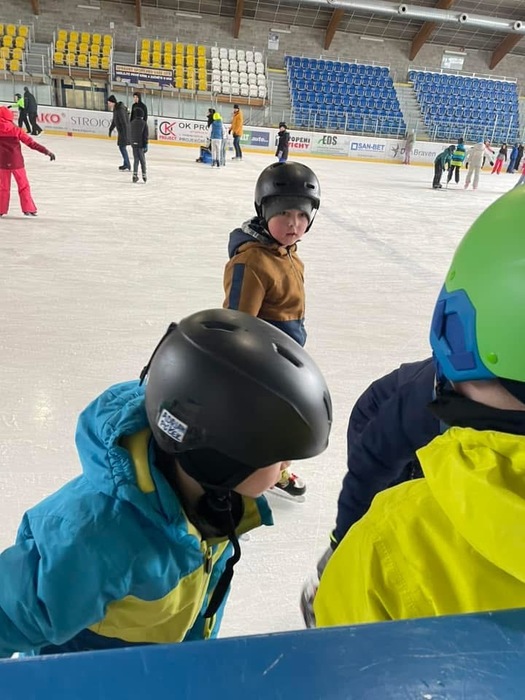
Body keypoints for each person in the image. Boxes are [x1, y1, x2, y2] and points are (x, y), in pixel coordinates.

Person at [0, 308, 331, 657]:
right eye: (279, 456)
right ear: (219, 457)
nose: (287, 467)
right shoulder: (98, 540)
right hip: (84, 675)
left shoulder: (217, 504)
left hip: (158, 665)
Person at [313, 189, 525, 629]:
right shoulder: (418, 399)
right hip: (378, 417)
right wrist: (342, 540)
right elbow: (370, 466)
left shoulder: (471, 384)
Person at [223, 162, 321, 499]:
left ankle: (275, 469)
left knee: (287, 422)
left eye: (302, 214)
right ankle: (245, 480)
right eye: (283, 214)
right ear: (263, 212)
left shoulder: (289, 254)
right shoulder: (251, 262)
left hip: (287, 356)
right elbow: (238, 322)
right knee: (266, 424)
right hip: (263, 361)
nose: (294, 224)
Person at [0, 106, 55, 217]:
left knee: (3, 188)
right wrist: (46, 151)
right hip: (17, 162)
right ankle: (28, 209)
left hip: (1, 163)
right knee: (23, 186)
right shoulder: (16, 130)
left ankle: (1, 209)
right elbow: (31, 143)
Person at [108, 94, 131, 171]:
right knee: (122, 147)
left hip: (124, 132)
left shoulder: (120, 109)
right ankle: (126, 164)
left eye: (109, 103)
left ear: (113, 102)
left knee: (122, 147)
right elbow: (114, 120)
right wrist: (111, 129)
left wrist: (125, 133)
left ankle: (127, 164)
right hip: (122, 132)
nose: (108, 104)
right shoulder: (116, 109)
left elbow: (124, 122)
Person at [130, 106, 148, 183]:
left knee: (136, 160)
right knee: (142, 161)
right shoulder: (144, 123)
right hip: (141, 145)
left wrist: (132, 142)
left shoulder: (132, 123)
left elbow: (130, 133)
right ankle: (144, 175)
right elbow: (145, 135)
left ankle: (134, 175)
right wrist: (146, 144)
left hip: (134, 144)